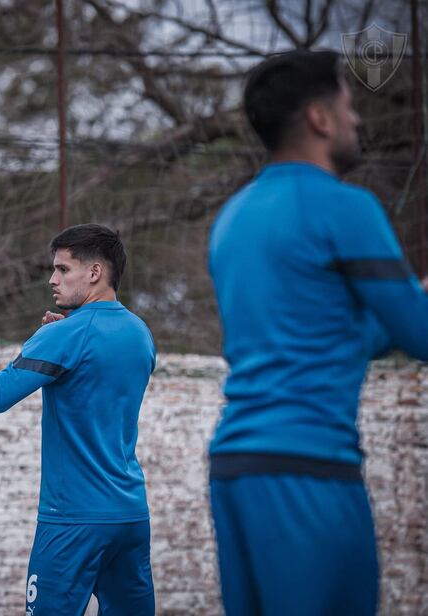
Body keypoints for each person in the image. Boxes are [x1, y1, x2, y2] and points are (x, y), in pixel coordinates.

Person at [208, 49, 428, 616]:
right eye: (350, 106)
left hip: (235, 470)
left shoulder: (232, 217)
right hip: (308, 471)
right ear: (320, 118)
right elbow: (420, 335)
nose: (357, 121)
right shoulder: (345, 207)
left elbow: (328, 339)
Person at [0, 223, 156, 615]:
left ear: (94, 272)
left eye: (63, 269)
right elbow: (97, 373)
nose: (52, 279)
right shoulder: (140, 332)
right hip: (130, 515)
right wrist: (68, 335)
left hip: (72, 520)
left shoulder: (65, 335)